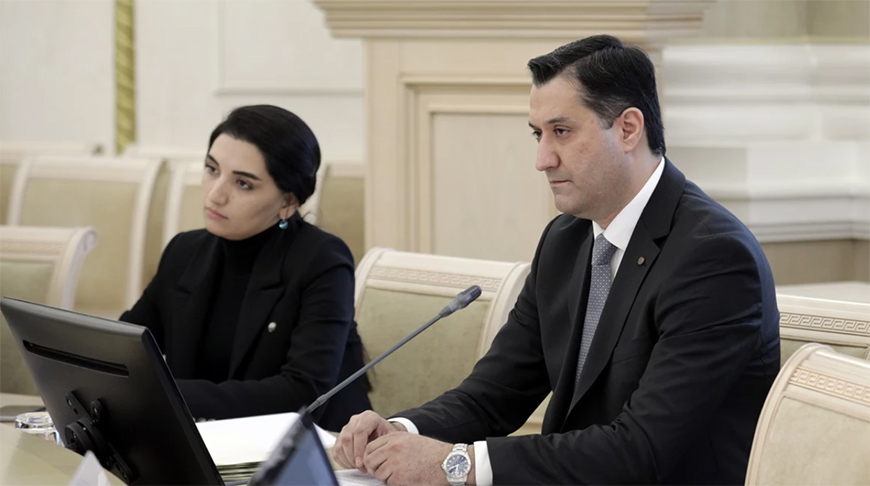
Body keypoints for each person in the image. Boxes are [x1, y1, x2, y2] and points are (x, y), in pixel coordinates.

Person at [332, 35, 780, 485]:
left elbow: (640, 449)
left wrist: (455, 464)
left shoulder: (714, 258)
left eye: (561, 132)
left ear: (628, 129)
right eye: (538, 134)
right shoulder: (565, 240)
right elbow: (493, 395)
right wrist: (400, 432)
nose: (542, 159)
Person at [120, 105, 370, 432]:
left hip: (310, 448)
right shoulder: (185, 251)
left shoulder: (322, 261)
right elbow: (125, 347)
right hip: (205, 441)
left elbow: (301, 392)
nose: (216, 194)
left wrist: (166, 395)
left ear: (288, 202)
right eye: (212, 169)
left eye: (243, 184)